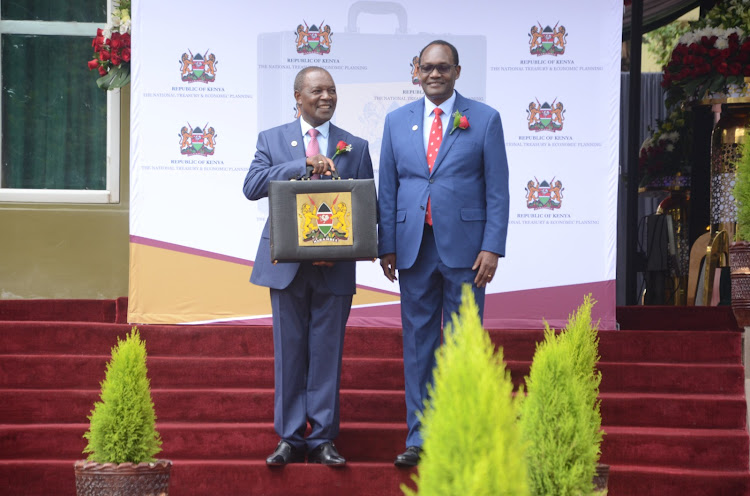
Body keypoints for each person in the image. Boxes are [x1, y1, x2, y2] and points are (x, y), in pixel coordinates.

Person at [377, 40, 509, 467]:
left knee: (464, 342)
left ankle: (459, 433)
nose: (434, 74)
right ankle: (419, 437)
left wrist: (492, 246)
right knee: (417, 345)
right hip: (414, 249)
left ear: (457, 71)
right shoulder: (397, 122)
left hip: (468, 253)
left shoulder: (485, 120)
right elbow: (389, 190)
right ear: (415, 70)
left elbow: (498, 190)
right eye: (427, 68)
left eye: (443, 68)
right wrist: (387, 246)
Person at [243, 66, 373, 467]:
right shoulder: (273, 139)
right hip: (286, 266)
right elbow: (251, 187)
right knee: (290, 353)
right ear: (297, 96)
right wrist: (302, 162)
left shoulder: (356, 145)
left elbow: (368, 207)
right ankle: (289, 438)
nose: (327, 97)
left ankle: (322, 439)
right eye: (318, 91)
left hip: (334, 269)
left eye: (332, 91)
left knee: (327, 354)